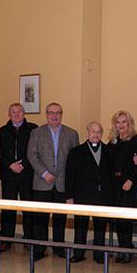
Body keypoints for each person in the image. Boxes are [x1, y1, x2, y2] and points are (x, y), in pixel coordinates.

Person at [27, 102, 79, 260]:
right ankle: (39, 250)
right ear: (46, 114)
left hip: (62, 183)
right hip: (42, 182)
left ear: (62, 114)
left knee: (60, 219)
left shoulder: (71, 133)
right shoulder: (37, 133)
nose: (54, 115)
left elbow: (75, 160)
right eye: (51, 112)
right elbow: (32, 155)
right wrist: (44, 173)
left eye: (58, 112)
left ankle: (59, 248)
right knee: (40, 219)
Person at [65, 121, 114, 263]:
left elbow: (111, 176)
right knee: (80, 225)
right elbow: (69, 176)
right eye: (93, 131)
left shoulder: (108, 151)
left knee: (100, 226)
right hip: (82, 196)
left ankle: (99, 255)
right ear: (88, 132)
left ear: (102, 134)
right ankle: (78, 253)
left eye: (98, 132)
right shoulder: (76, 152)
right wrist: (69, 197)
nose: (96, 135)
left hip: (102, 196)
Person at [0, 102, 38, 249]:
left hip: (27, 175)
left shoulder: (33, 129)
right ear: (9, 114)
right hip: (8, 175)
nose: (17, 114)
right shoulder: (2, 131)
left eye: (20, 111)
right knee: (8, 208)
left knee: (28, 208)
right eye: (13, 112)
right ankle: (6, 239)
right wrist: (10, 165)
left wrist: (23, 165)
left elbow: (35, 151)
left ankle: (29, 240)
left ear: (24, 113)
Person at [107, 110, 137, 263]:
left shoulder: (135, 140)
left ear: (129, 124)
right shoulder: (113, 141)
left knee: (125, 221)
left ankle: (127, 250)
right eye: (118, 122)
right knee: (117, 220)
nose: (121, 125)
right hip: (115, 186)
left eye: (124, 122)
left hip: (128, 185)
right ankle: (122, 249)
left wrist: (131, 181)